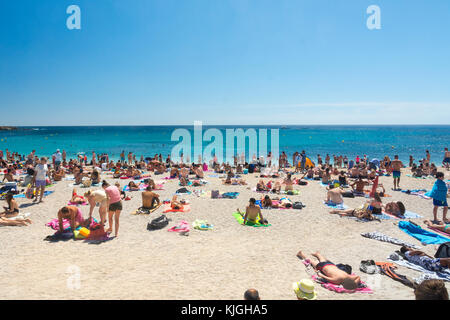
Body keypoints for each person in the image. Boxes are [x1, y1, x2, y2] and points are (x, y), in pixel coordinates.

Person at [296, 250, 361, 290]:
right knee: (312, 262)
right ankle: (301, 254)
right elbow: (326, 278)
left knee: (322, 260)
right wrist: (320, 274)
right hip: (323, 267)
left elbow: (358, 277)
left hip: (331, 265)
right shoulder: (337, 280)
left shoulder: (348, 276)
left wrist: (355, 283)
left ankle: (317, 254)